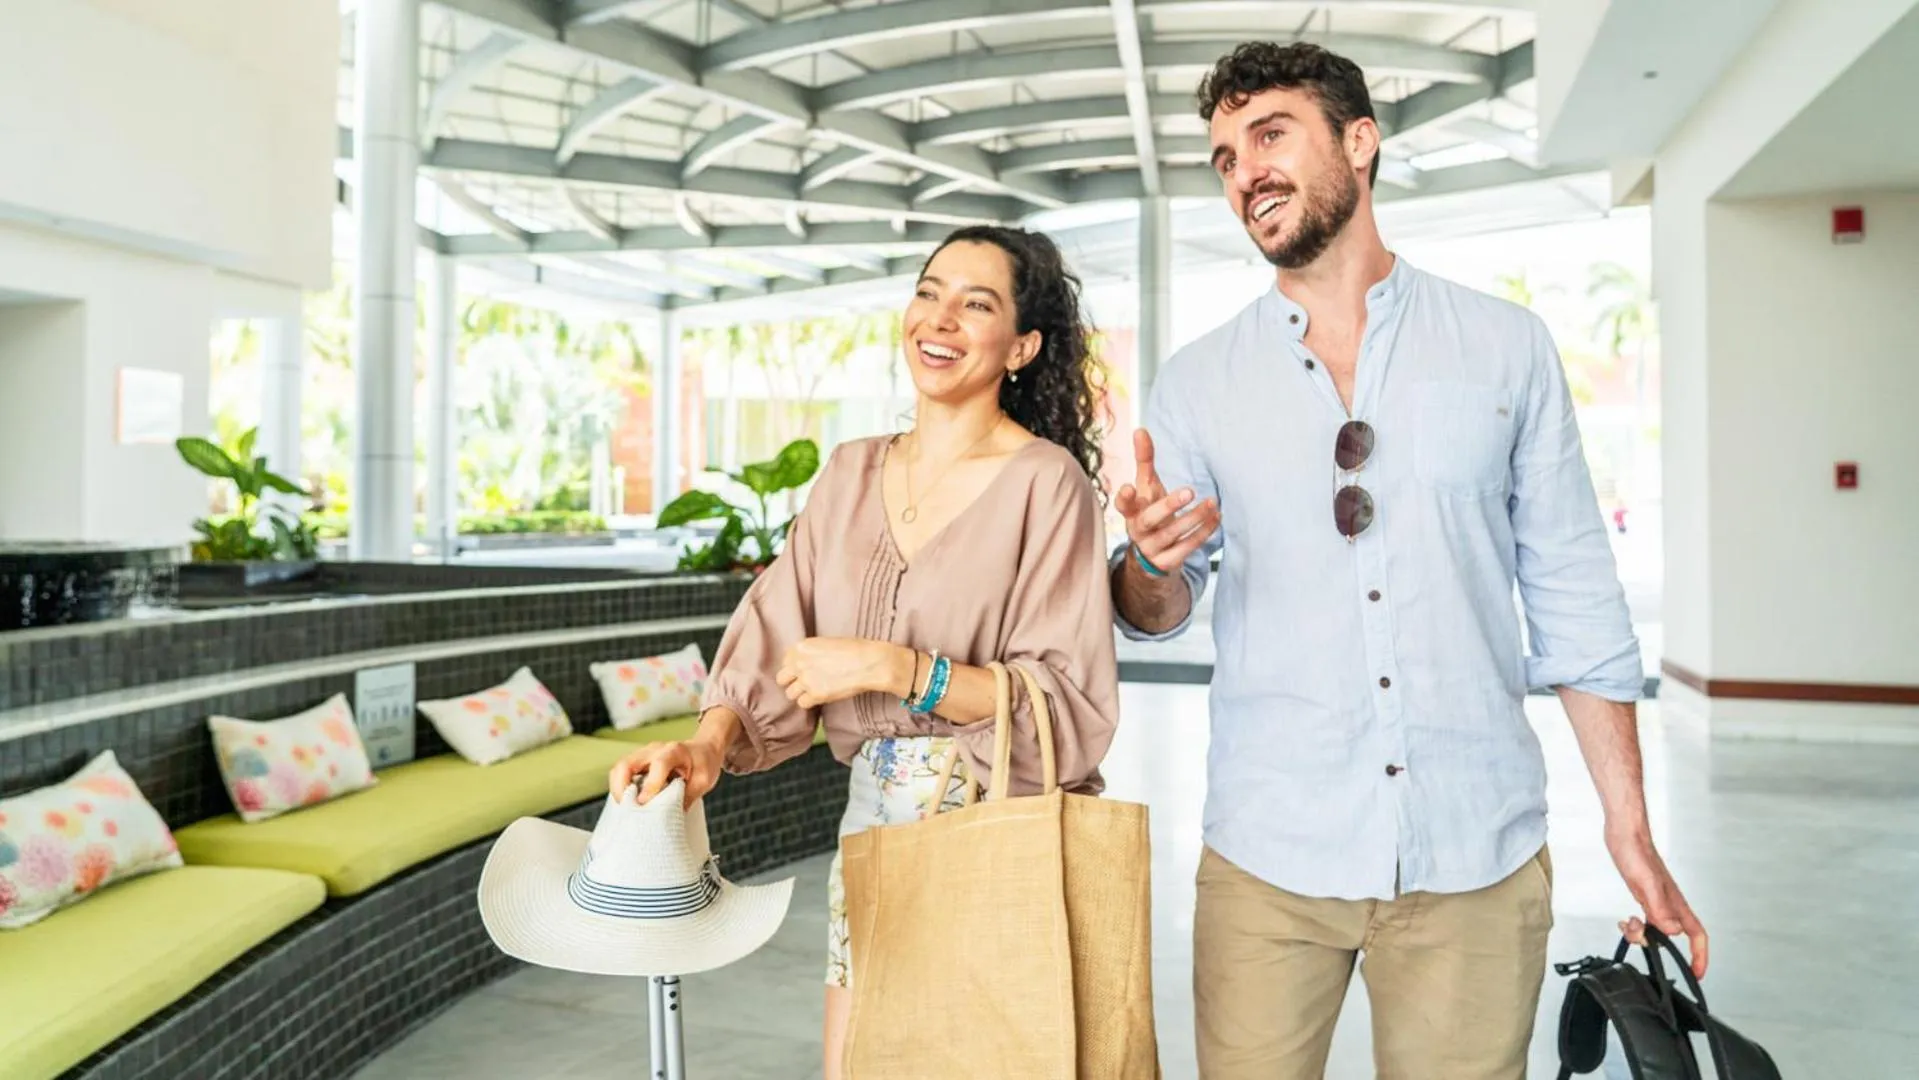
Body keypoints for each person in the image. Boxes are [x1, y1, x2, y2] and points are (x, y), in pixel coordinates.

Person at [1109, 41, 1708, 1079]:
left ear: (1358, 141)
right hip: (1267, 857)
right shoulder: (1197, 383)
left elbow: (1572, 593)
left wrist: (1629, 829)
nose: (1243, 172)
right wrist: (1151, 565)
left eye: (1269, 136)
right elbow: (1156, 609)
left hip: (1473, 851)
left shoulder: (1505, 348)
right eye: (1223, 158)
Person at [609, 224, 1121, 1079]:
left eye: (976, 304)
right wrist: (706, 744)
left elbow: (1065, 701)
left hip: (997, 825)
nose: (940, 318)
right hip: (873, 825)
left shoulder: (1046, 483)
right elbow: (777, 627)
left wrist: (896, 669)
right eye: (928, 292)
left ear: (1021, 347)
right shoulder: (847, 473)